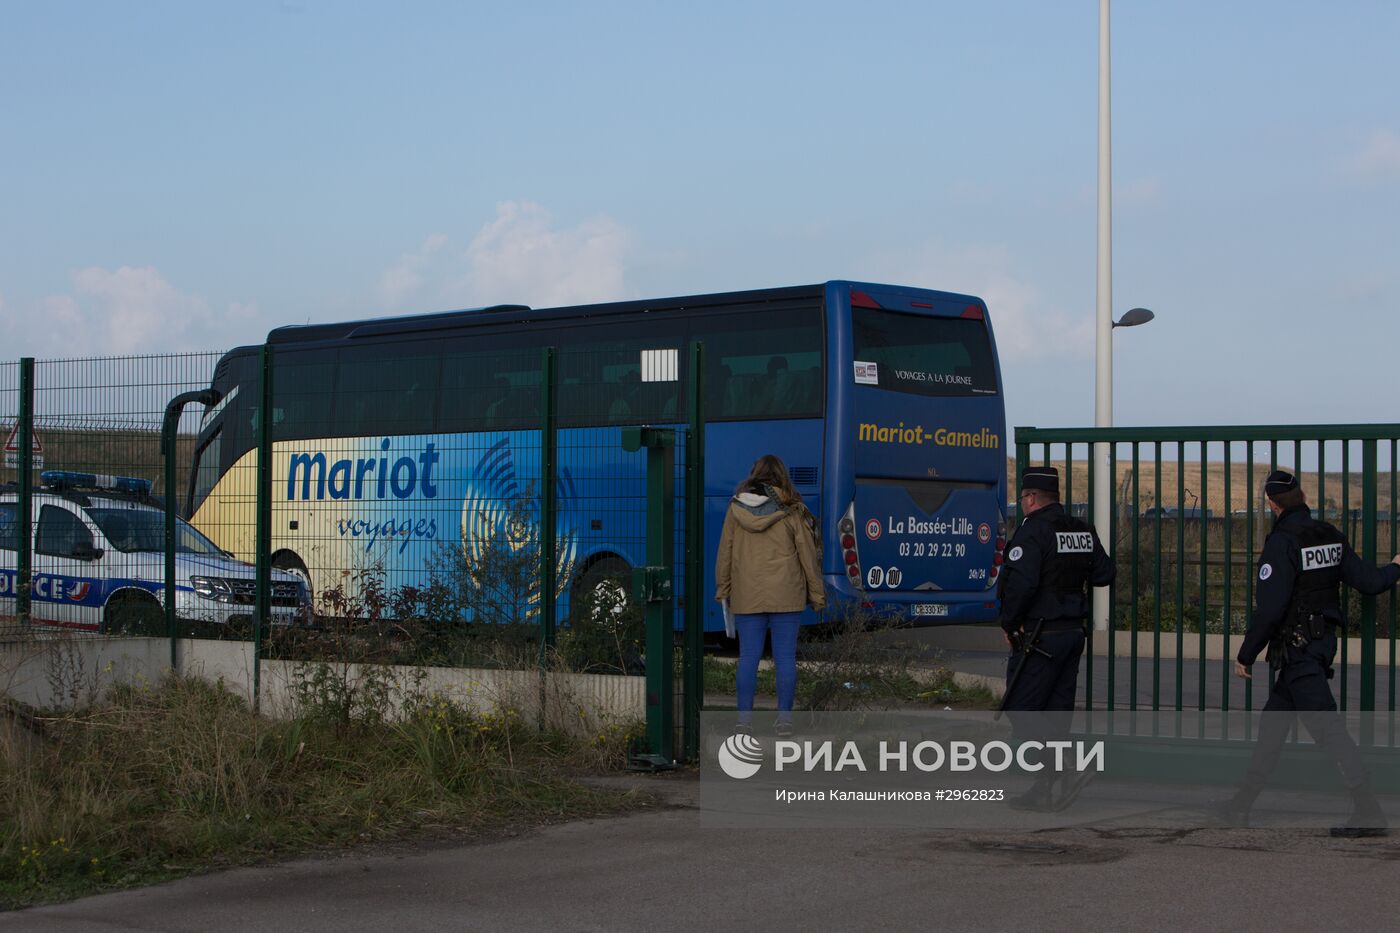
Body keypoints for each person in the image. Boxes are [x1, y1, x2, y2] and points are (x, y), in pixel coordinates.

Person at [1211, 470, 1400, 836]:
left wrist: (1246, 654)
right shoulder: (1328, 535)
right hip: (1317, 646)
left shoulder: (1282, 543)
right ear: (1301, 496)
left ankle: (1369, 812)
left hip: (1297, 651)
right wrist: (1395, 567)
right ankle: (1240, 806)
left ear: (1271, 503)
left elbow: (1269, 610)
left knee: (1330, 733)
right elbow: (1368, 582)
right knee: (1272, 727)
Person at [999, 466, 1116, 810]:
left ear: (1031, 498)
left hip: (1040, 636)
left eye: (1022, 498)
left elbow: (1021, 584)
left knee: (1019, 707)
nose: (1021, 504)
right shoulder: (1080, 530)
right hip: (1071, 635)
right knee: (1055, 714)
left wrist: (1009, 624)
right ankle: (1046, 787)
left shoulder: (1033, 532)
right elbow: (1105, 573)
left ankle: (1066, 766)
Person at [715, 454, 825, 736]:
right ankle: (784, 721)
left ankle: (743, 722)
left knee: (748, 657)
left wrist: (723, 588)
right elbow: (807, 555)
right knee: (785, 657)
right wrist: (817, 594)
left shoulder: (735, 508)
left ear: (754, 476)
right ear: (781, 477)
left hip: (748, 593)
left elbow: (725, 552)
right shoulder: (792, 509)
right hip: (786, 593)